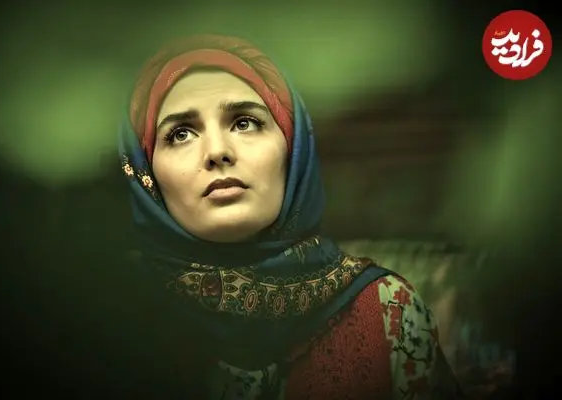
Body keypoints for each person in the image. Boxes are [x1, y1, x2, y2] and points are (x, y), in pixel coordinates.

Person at [118, 34, 462, 399]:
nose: (217, 151)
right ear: (145, 172)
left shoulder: (386, 310)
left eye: (245, 122)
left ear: (294, 147)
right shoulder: (103, 319)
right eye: (180, 134)